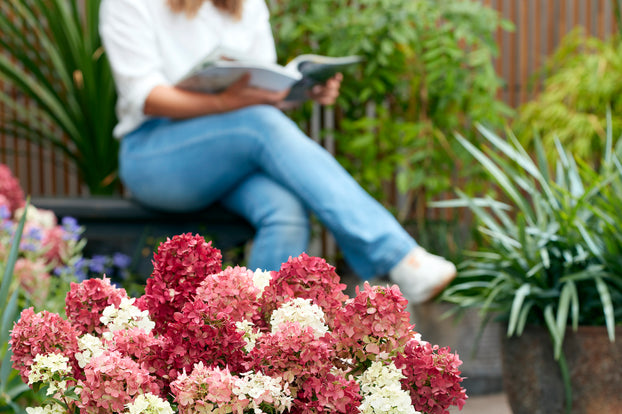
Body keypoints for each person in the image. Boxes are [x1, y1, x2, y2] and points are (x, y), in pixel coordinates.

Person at [99, 0, 456, 303]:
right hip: (155, 155)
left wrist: (305, 90)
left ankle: (260, 343)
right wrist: (226, 102)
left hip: (238, 150)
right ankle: (395, 254)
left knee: (286, 210)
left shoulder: (246, 5)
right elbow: (146, 96)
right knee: (258, 122)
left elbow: (262, 89)